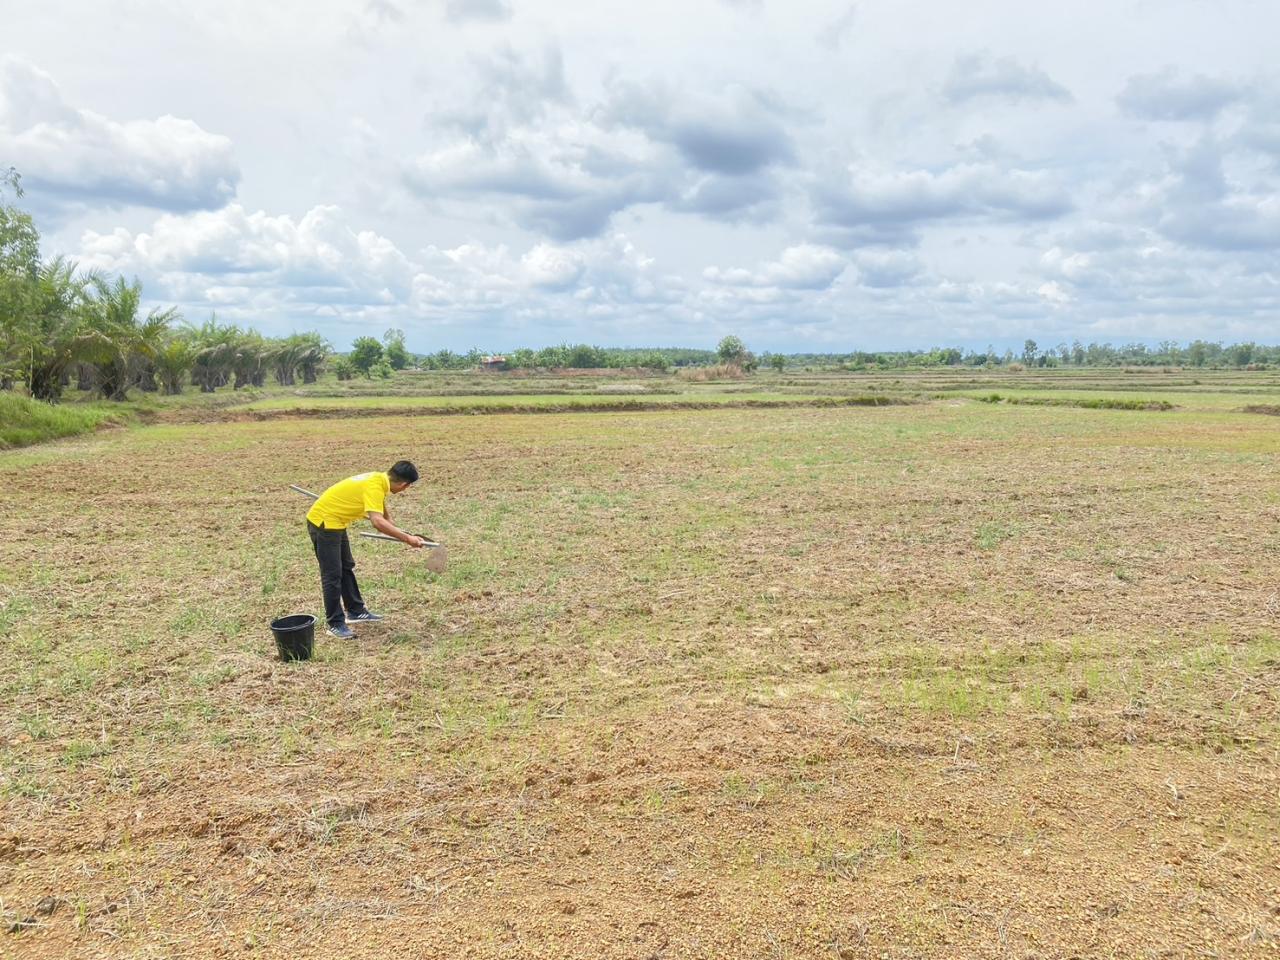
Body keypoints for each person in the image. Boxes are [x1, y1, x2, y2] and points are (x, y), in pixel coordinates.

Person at [305, 461, 428, 638]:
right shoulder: (375, 486)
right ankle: (335, 623)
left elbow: (381, 510)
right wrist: (407, 539)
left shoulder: (380, 479)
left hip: (336, 521)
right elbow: (377, 522)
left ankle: (355, 610)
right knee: (332, 574)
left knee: (346, 566)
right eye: (407, 488)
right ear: (404, 485)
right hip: (324, 523)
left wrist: (394, 525)